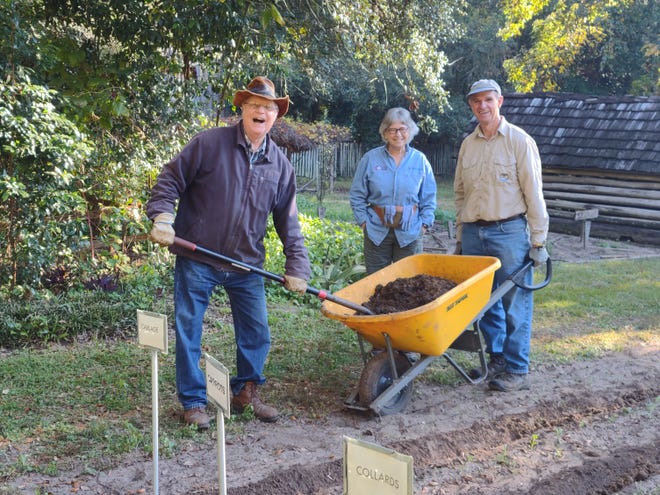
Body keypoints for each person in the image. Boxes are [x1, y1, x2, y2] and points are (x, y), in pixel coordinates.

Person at [146, 76, 311, 427]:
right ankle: (193, 402)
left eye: (268, 108)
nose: (261, 112)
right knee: (189, 328)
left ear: (275, 117)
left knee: (257, 333)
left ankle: (245, 393)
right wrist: (162, 215)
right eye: (255, 105)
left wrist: (298, 265)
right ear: (243, 109)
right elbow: (170, 178)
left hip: (246, 264)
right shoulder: (209, 143)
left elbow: (289, 221)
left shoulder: (280, 165)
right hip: (198, 257)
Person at [453, 79, 549, 392]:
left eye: (488, 100)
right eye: (476, 101)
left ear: (500, 101)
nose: (482, 106)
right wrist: (459, 238)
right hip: (473, 233)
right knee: (482, 303)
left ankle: (517, 369)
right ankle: (496, 359)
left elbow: (534, 194)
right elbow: (460, 194)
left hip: (508, 232)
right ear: (471, 105)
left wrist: (538, 241)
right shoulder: (469, 144)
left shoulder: (519, 141)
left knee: (514, 302)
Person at [349, 107, 437, 275]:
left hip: (410, 232)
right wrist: (364, 222)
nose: (398, 134)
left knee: (409, 284)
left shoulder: (420, 160)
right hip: (376, 230)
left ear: (409, 130)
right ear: (385, 132)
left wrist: (424, 225)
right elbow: (357, 194)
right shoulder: (370, 158)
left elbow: (429, 197)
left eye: (402, 129)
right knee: (376, 283)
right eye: (392, 130)